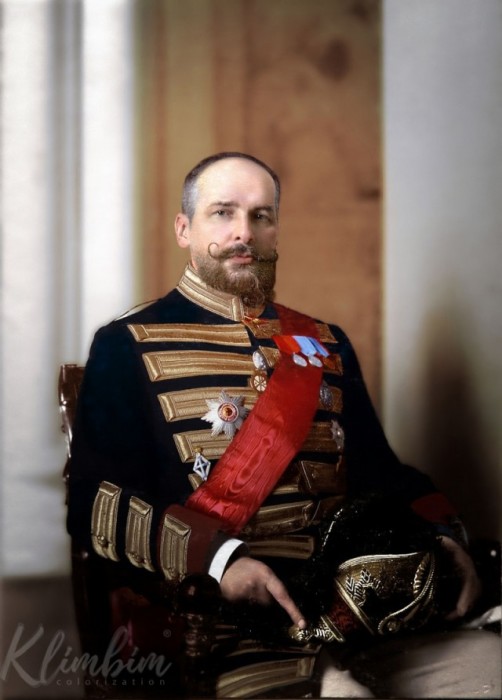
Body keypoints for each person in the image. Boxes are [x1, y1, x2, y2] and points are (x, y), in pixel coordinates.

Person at [67, 152, 500, 698]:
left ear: (275, 230)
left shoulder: (324, 342)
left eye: (261, 216)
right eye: (222, 213)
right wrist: (219, 563)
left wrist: (444, 535)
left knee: (491, 672)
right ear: (184, 229)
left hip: (361, 613)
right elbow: (94, 501)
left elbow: (381, 474)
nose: (243, 233)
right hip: (230, 627)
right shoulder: (126, 343)